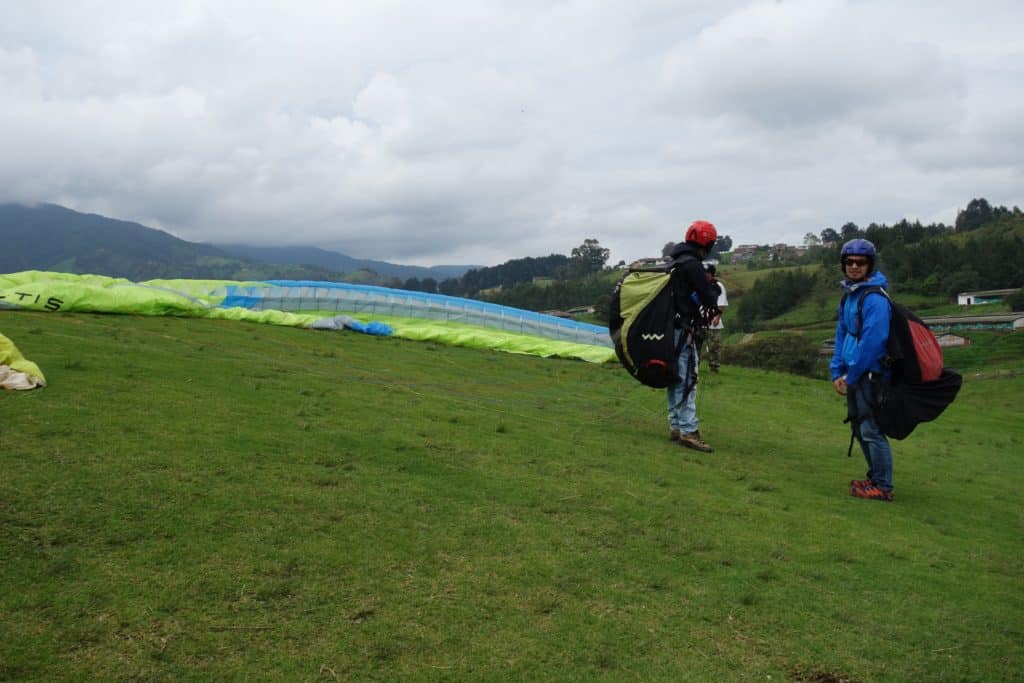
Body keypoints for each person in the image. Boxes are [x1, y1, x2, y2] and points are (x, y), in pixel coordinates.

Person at [830, 238, 895, 502]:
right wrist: (836, 370)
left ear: (870, 265)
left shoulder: (874, 299)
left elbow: (873, 341)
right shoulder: (850, 295)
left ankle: (883, 485)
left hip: (872, 375)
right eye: (850, 262)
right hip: (853, 374)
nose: (854, 267)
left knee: (871, 429)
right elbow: (841, 332)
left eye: (861, 262)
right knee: (858, 427)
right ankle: (874, 477)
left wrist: (852, 375)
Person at [666, 220, 722, 453]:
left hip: (669, 327)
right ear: (707, 244)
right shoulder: (693, 265)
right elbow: (709, 299)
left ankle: (676, 425)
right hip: (684, 329)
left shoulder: (675, 262)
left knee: (675, 378)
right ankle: (689, 431)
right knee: (687, 379)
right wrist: (714, 289)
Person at [703, 264, 728, 373]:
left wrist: (717, 317)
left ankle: (714, 367)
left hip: (713, 320)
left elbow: (721, 304)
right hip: (700, 320)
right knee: (696, 345)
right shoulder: (701, 285)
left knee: (714, 346)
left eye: (705, 273)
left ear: (709, 273)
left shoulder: (719, 286)